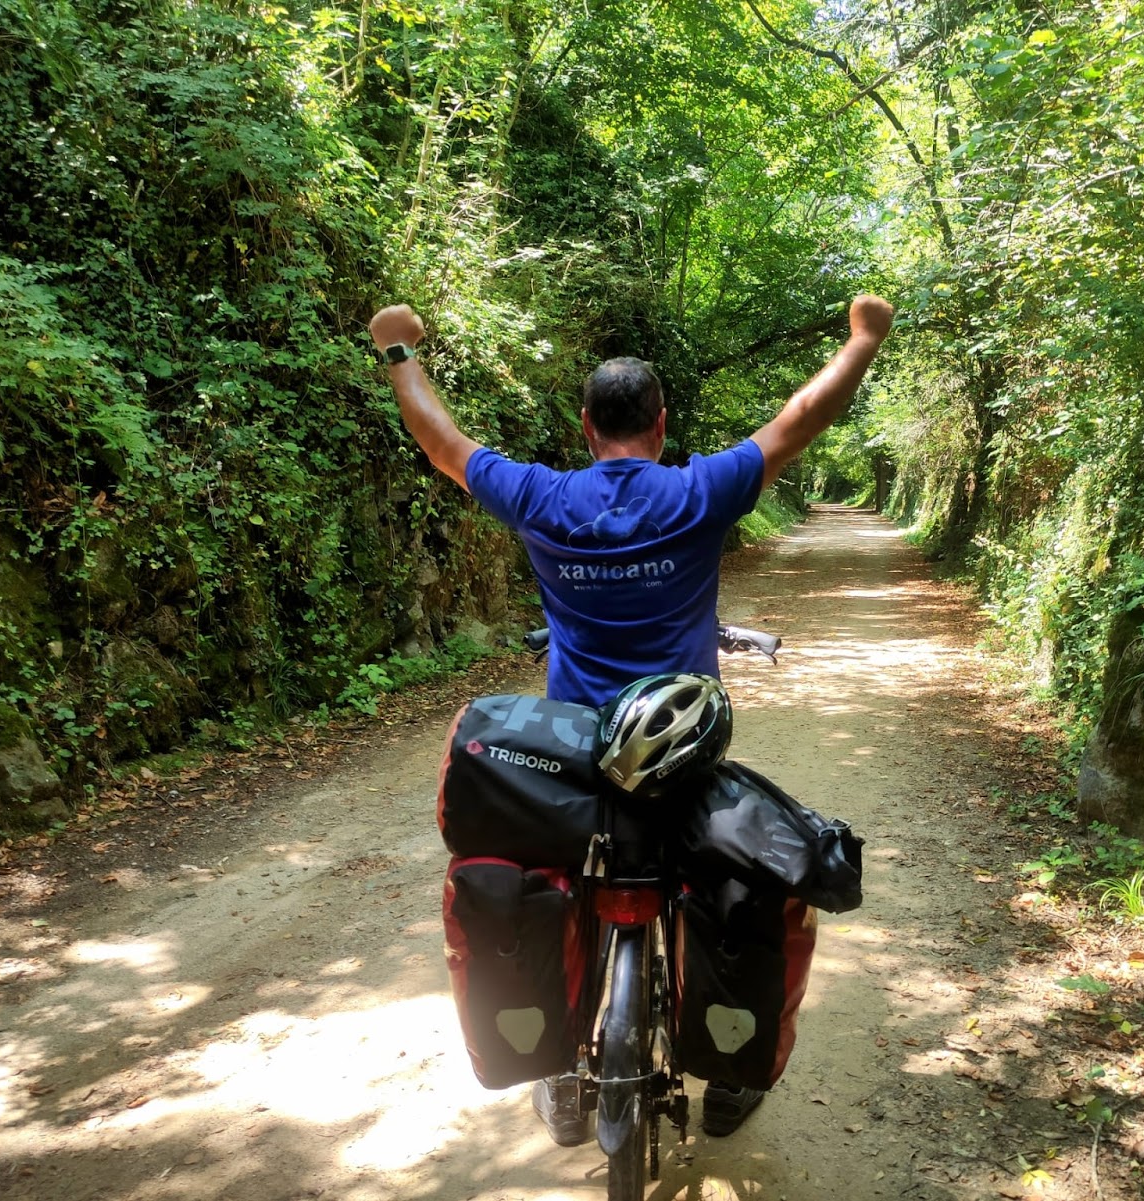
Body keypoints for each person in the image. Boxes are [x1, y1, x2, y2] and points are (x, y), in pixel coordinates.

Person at [368, 293, 893, 1143]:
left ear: (585, 427)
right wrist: (863, 340)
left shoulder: (540, 496)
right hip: (682, 750)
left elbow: (442, 443)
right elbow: (801, 419)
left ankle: (560, 1068)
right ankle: (729, 1069)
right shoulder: (699, 490)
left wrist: (399, 351)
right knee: (720, 875)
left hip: (574, 750)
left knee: (560, 869)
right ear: (661, 422)